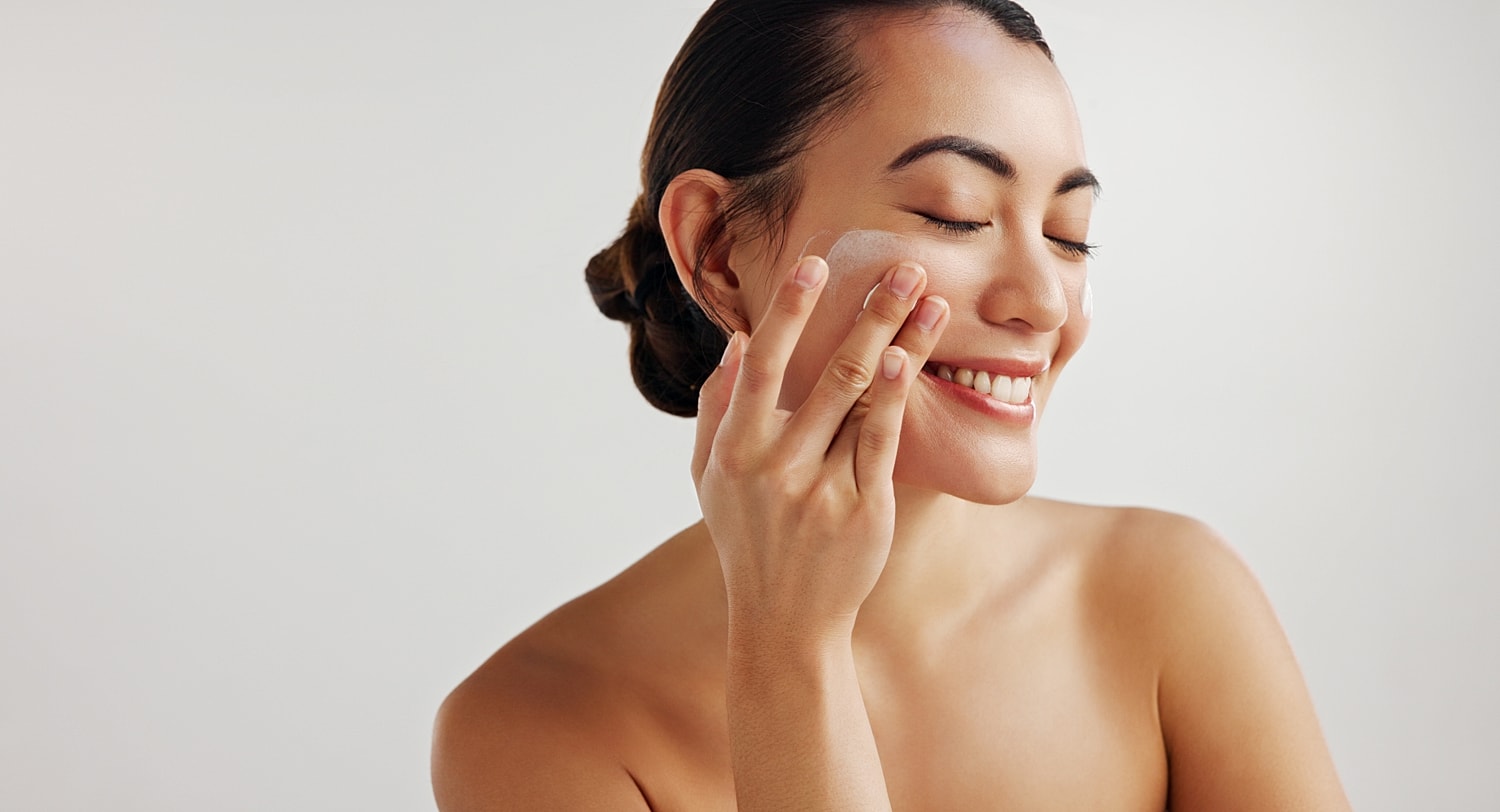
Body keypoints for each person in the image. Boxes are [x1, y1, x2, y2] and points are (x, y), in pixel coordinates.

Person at [432, 1, 1351, 808]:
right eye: (955, 214)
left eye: (1071, 237)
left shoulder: (1170, 598)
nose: (1042, 299)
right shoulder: (533, 724)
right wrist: (789, 654)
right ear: (716, 250)